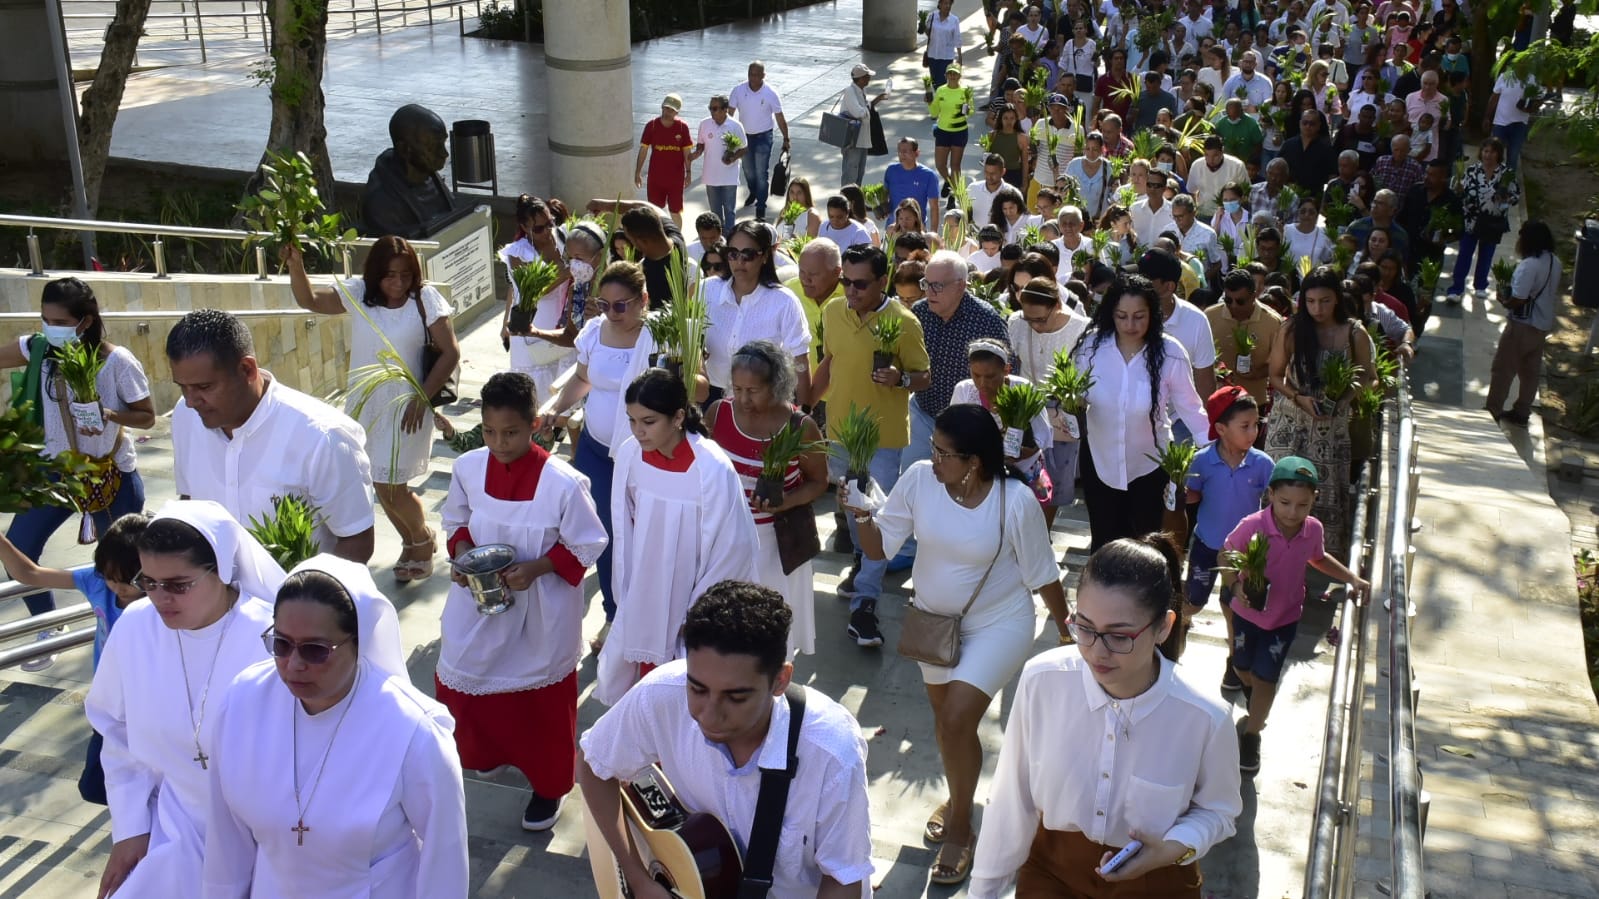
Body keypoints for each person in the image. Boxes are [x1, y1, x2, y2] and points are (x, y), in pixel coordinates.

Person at [845, 404, 1070, 886]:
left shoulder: (1015, 500)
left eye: (945, 454)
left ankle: (963, 828)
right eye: (934, 450)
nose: (934, 460)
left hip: (1000, 623)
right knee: (950, 728)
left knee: (954, 719)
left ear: (976, 461)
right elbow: (879, 548)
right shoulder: (921, 479)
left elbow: (1042, 573)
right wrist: (862, 512)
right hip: (933, 623)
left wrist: (1068, 628)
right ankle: (961, 795)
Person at [969, 534, 1241, 898]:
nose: (1097, 651)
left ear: (1164, 626)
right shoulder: (1043, 680)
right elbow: (1011, 799)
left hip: (1158, 880)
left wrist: (1175, 847)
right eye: (1084, 628)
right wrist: (984, 891)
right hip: (1052, 871)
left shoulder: (1205, 717)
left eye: (1119, 636)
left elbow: (1219, 810)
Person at [579, 581, 873, 899]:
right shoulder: (663, 694)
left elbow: (843, 879)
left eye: (735, 697)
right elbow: (593, 763)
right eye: (697, 689)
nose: (709, 714)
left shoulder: (830, 752)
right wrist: (640, 880)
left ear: (780, 680)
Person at [201, 555, 469, 896]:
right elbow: (226, 836)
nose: (293, 665)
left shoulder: (412, 730)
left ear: (358, 642)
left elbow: (444, 857)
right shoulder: (243, 701)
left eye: (315, 650)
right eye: (281, 644)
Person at [85, 500, 285, 899]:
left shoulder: (272, 636)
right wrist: (130, 827)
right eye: (149, 582)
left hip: (266, 833)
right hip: (173, 822)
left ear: (222, 571)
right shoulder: (135, 628)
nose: (161, 598)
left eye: (179, 585)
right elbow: (117, 732)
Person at [436, 371, 608, 829]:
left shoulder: (564, 483)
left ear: (535, 424)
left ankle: (548, 788)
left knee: (540, 706)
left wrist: (536, 569)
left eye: (510, 432)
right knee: (466, 680)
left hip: (541, 610)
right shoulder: (469, 468)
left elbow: (588, 542)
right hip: (478, 603)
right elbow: (456, 521)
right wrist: (461, 556)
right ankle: (488, 752)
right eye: (489, 431)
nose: (498, 442)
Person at [284, 235, 460, 583]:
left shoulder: (424, 299)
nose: (398, 283)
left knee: (395, 484)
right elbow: (310, 300)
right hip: (366, 406)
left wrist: (421, 399)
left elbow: (450, 352)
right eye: (390, 275)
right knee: (380, 485)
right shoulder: (359, 295)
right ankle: (411, 542)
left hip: (408, 405)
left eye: (406, 275)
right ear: (375, 273)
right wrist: (295, 264)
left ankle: (422, 540)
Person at [1, 276, 152, 670]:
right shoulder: (37, 350)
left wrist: (109, 414)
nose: (50, 328)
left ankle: (135, 637)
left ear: (85, 321)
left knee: (124, 566)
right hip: (57, 475)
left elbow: (148, 416)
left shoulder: (117, 362)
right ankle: (47, 627)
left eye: (60, 321)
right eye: (45, 318)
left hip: (111, 477)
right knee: (19, 546)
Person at [595, 370, 758, 704]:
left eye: (649, 421)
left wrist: (698, 610)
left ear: (679, 417)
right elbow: (623, 523)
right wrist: (628, 587)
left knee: (688, 683)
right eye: (632, 420)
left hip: (693, 582)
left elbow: (733, 545)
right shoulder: (630, 454)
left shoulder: (711, 467)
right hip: (647, 580)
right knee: (643, 678)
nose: (639, 431)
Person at [167, 309, 375, 563]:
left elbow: (357, 540)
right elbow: (189, 501)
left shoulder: (324, 438)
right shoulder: (185, 415)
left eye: (204, 387)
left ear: (247, 369)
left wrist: (303, 598)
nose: (190, 401)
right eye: (182, 387)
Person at [812, 245, 931, 644]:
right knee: (850, 511)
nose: (850, 290)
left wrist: (900, 379)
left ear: (883, 281)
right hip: (840, 432)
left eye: (860, 283)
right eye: (846, 281)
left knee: (873, 519)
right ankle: (863, 565)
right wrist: (806, 404)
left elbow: (924, 378)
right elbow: (830, 362)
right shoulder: (832, 312)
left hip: (882, 439)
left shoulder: (905, 321)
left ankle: (865, 603)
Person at [1224, 456, 1370, 773]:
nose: (1293, 512)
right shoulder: (1252, 526)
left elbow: (1318, 558)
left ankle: (1252, 734)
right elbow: (1227, 552)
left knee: (1266, 679)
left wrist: (1351, 578)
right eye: (1285, 502)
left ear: (1314, 500)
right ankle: (1252, 693)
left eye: (1302, 505)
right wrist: (1235, 585)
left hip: (1284, 620)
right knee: (1242, 666)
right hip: (1247, 616)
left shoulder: (1312, 530)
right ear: (1272, 495)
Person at [540, 261, 658, 637]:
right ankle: (613, 613)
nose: (611, 313)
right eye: (604, 305)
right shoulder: (593, 332)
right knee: (606, 532)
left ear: (643, 300)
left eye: (620, 305)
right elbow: (581, 379)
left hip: (646, 454)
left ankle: (645, 615)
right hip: (596, 449)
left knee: (644, 535)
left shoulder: (659, 337)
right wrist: (553, 408)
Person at [0, 514, 148, 801]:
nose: (117, 588)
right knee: (96, 787)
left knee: (137, 790)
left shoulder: (163, 599)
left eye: (127, 581)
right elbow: (31, 575)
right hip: (108, 707)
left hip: (147, 711)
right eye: (109, 577)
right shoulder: (97, 583)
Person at [707, 342, 830, 656]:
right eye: (738, 389)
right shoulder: (718, 413)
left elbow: (818, 481)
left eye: (754, 390)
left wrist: (785, 502)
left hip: (774, 543)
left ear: (776, 385)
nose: (744, 399)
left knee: (768, 637)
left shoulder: (802, 427)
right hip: (721, 537)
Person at [1071, 274, 1210, 551]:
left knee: (1147, 545)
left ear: (1153, 314)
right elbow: (1075, 395)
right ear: (1111, 313)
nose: (1130, 325)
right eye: (1122, 316)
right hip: (1100, 462)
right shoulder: (1091, 347)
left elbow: (1191, 408)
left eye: (1139, 316)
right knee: (1105, 543)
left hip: (1150, 466)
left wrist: (1213, 451)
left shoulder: (1170, 352)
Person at [1265, 266, 1375, 564]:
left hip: (1331, 428)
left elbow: (1369, 375)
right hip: (1290, 423)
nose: (1317, 308)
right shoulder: (1291, 329)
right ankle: (1272, 556)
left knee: (1324, 494)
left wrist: (1346, 399)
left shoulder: (1354, 333)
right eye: (1311, 301)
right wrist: (1298, 397)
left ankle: (1318, 561)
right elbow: (1275, 376)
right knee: (1282, 490)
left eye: (1324, 301)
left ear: (1337, 299)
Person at [1183, 387, 1273, 678]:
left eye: (1256, 424)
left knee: (1234, 607)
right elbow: (1191, 495)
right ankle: (1179, 625)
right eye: (1244, 426)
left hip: (1243, 553)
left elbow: (1271, 503)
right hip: (1207, 545)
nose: (1253, 432)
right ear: (1220, 428)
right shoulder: (1201, 460)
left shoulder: (1262, 465)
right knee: (1193, 602)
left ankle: (1234, 661)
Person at [705, 221, 814, 406]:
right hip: (711, 397)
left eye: (748, 254)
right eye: (732, 254)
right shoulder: (707, 290)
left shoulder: (784, 301)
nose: (739, 262)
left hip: (763, 402)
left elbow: (800, 362)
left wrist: (802, 415)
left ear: (764, 256)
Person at [1487, 221, 1562, 428]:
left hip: (1522, 326)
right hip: (1541, 325)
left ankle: (1493, 410)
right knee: (1530, 371)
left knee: (1503, 369)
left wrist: (1505, 301)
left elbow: (1519, 297)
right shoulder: (1554, 261)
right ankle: (1522, 411)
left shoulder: (1529, 265)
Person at [1448, 136, 1520, 304]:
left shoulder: (1506, 173)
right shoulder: (1472, 170)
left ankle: (1480, 285)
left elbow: (1515, 197)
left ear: (1498, 154)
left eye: (1492, 151)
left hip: (1493, 221)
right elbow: (1462, 193)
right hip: (1471, 220)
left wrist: (1505, 197)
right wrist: (1458, 190)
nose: (1488, 155)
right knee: (1465, 254)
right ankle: (1456, 289)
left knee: (1486, 254)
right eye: (1486, 151)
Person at [1209, 270, 1284, 407]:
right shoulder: (1209, 316)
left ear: (1254, 296)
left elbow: (1280, 364)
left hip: (1254, 404)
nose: (1233, 306)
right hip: (1217, 403)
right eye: (1228, 300)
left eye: (1240, 301)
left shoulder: (1272, 322)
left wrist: (1257, 373)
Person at [729, 61, 790, 222]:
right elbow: (730, 113)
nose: (753, 78)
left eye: (756, 75)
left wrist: (786, 138)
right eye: (750, 74)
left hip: (764, 136)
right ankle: (754, 191)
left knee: (761, 172)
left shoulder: (770, 93)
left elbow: (779, 116)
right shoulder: (738, 90)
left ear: (763, 75)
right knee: (749, 171)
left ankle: (761, 206)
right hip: (745, 137)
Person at [635, 93, 693, 226]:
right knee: (655, 211)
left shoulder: (682, 127)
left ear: (677, 111)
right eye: (666, 108)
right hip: (655, 178)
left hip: (675, 179)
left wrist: (688, 173)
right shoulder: (652, 126)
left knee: (675, 211)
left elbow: (686, 151)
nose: (667, 112)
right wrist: (637, 172)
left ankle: (678, 239)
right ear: (661, 107)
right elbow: (643, 149)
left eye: (671, 110)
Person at [690, 95, 747, 231]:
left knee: (729, 210)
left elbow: (744, 148)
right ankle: (718, 238)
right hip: (711, 176)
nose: (712, 111)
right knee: (715, 212)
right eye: (711, 108)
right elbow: (701, 144)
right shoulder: (704, 124)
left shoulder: (735, 126)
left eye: (715, 108)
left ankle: (730, 238)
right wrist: (696, 153)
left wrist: (733, 158)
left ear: (725, 110)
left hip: (729, 177)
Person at [840, 64, 886, 189]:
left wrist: (877, 100)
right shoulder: (850, 91)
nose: (869, 79)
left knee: (860, 172)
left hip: (862, 139)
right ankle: (846, 200)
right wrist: (866, 109)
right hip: (853, 141)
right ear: (860, 78)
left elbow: (864, 108)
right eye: (867, 77)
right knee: (851, 172)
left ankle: (856, 200)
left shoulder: (861, 91)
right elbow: (859, 112)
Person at [929, 64, 974, 189]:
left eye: (955, 73)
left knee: (955, 165)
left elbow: (970, 111)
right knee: (940, 165)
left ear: (960, 76)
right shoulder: (941, 90)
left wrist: (968, 109)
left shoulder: (965, 91)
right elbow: (934, 112)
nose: (952, 76)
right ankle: (949, 181)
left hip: (959, 132)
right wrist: (929, 102)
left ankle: (954, 195)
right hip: (943, 131)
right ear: (946, 75)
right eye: (950, 73)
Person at [1185, 136, 1249, 219]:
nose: (1211, 160)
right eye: (1207, 155)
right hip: (1204, 215)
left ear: (1222, 152)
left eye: (1215, 156)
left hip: (1230, 215)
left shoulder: (1237, 166)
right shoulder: (1196, 166)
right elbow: (1191, 191)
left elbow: (1246, 193)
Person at [886, 137, 943, 224]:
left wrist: (933, 233)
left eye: (905, 151)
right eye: (899, 151)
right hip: (893, 227)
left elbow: (934, 207)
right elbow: (885, 196)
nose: (901, 154)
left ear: (917, 153)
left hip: (916, 229)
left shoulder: (929, 176)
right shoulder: (891, 170)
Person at [1278, 109, 1337, 193]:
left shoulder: (1326, 149)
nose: (1308, 126)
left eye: (1312, 124)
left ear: (1319, 125)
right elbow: (1279, 167)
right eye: (1305, 123)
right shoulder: (1288, 144)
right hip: (1288, 193)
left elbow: (1332, 176)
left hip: (1314, 196)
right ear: (1300, 123)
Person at [926, 0, 963, 85]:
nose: (948, 6)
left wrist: (960, 57)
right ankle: (939, 97)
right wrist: (923, 27)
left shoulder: (954, 20)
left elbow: (957, 39)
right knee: (934, 81)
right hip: (933, 55)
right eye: (945, 3)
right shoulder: (932, 16)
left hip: (946, 57)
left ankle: (942, 97)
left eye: (950, 4)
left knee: (942, 82)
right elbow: (928, 33)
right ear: (940, 4)